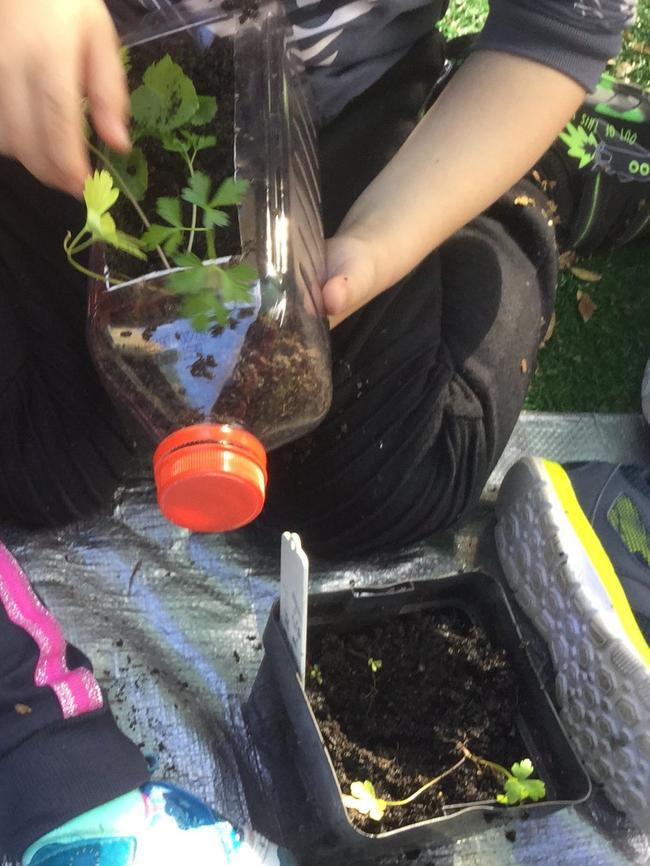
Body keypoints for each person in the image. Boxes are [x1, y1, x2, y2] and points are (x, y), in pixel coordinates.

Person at [0, 0, 643, 861]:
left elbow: (555, 31)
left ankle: (540, 181)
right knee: (35, 466)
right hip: (65, 116)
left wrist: (386, 239)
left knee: (383, 473)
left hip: (335, 124)